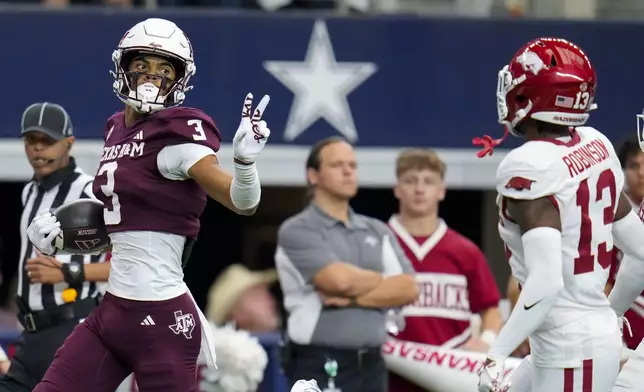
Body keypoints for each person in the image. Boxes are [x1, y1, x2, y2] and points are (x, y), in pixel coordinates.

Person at [26, 18, 271, 392]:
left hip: (161, 320)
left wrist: (245, 164)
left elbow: (242, 201)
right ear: (123, 68)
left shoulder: (179, 135)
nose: (151, 77)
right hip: (112, 313)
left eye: (164, 69)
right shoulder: (115, 128)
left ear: (180, 79)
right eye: (142, 65)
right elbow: (118, 221)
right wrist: (62, 233)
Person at [474, 37, 644, 392]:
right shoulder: (596, 144)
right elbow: (641, 252)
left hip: (568, 349)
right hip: (576, 339)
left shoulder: (528, 165)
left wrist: (496, 355)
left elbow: (547, 281)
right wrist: (610, 313)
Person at [275, 137, 418, 392]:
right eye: (337, 165)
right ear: (313, 175)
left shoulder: (375, 228)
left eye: (352, 165)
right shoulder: (297, 229)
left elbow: (408, 288)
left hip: (373, 364)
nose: (348, 171)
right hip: (318, 363)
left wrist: (352, 298)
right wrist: (380, 278)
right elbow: (336, 281)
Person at [0, 102, 110, 392]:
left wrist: (69, 271)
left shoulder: (91, 193)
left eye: (47, 141)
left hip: (72, 327)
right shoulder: (29, 191)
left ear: (68, 143)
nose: (38, 149)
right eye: (31, 140)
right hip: (31, 334)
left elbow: (130, 264)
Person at [387, 148, 502, 392]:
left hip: (451, 376)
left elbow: (491, 309)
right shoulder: (378, 243)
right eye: (410, 181)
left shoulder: (465, 251)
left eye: (428, 181)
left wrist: (486, 341)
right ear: (397, 189)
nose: (419, 189)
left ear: (442, 190)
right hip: (390, 374)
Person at [205, 264, 279, 332]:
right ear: (236, 313)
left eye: (266, 292)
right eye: (257, 295)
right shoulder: (223, 345)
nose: (270, 299)